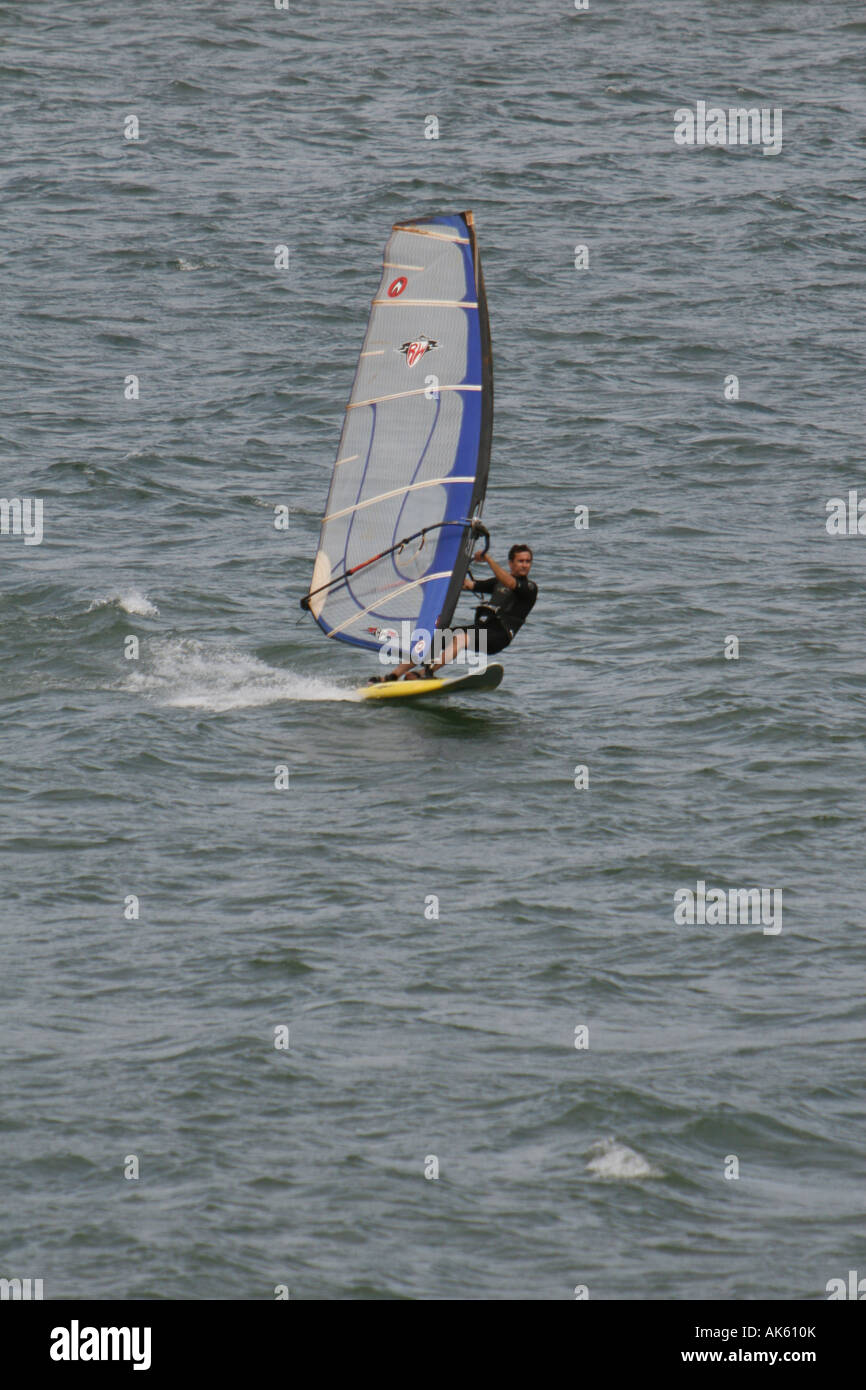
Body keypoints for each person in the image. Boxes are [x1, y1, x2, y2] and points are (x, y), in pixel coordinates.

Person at [378, 542, 537, 681]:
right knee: (434, 637)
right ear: (511, 563)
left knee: (459, 639)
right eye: (520, 561)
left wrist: (488, 559)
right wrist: (440, 576)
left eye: (528, 561)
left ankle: (429, 672)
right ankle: (393, 675)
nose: (524, 565)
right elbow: (469, 585)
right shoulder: (497, 583)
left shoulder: (530, 588)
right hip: (481, 630)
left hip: (499, 636)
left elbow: (510, 583)